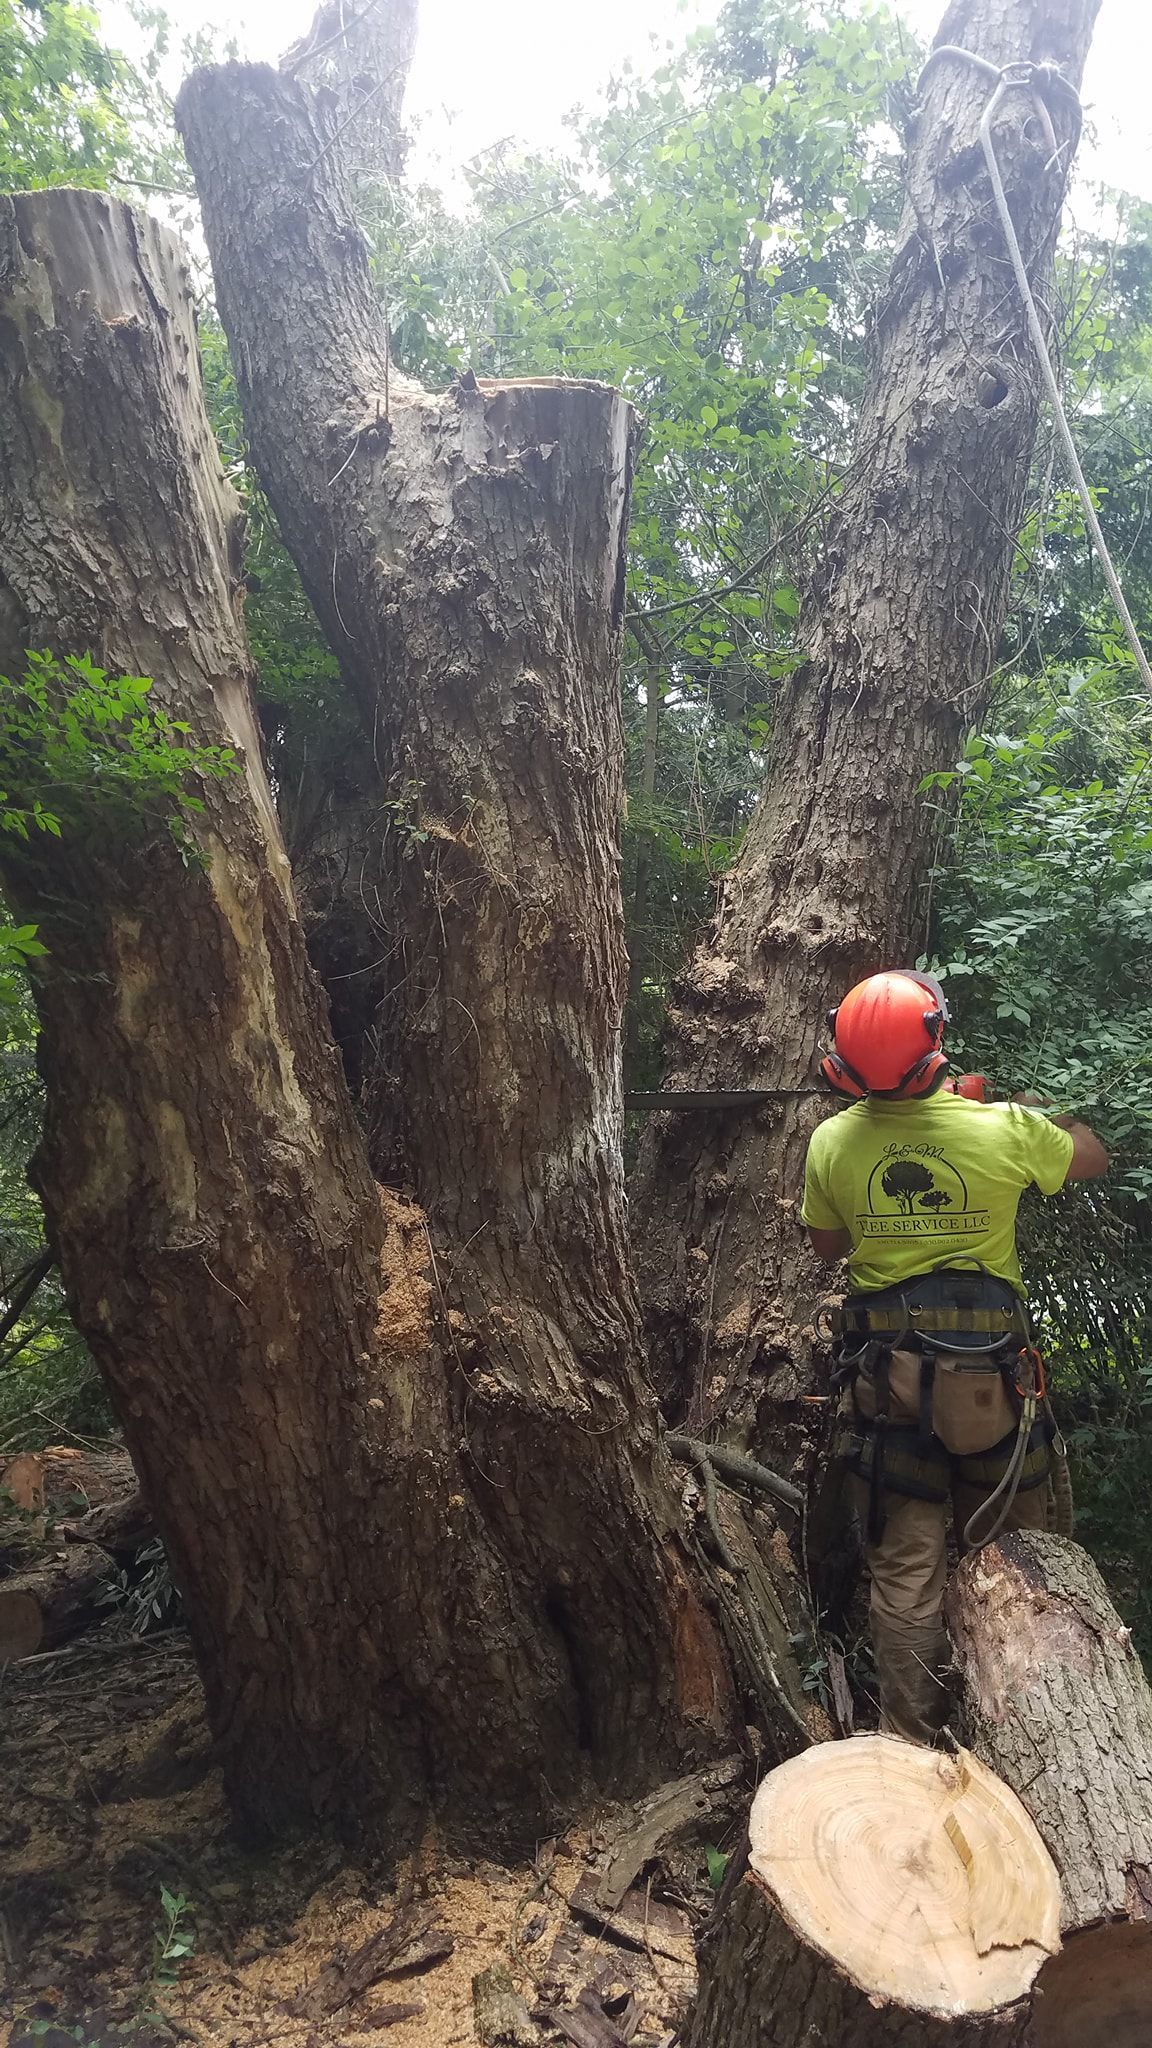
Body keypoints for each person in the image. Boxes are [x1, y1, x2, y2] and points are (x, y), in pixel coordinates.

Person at [801, 968, 1109, 1744]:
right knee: (1013, 1560)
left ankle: (911, 1742)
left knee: (906, 1575)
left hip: (891, 1391)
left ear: (843, 1064)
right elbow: (1091, 1156)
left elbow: (826, 1244)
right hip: (994, 1393)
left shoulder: (832, 1141)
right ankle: (1028, 1737)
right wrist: (1027, 1110)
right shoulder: (1004, 1130)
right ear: (934, 1043)